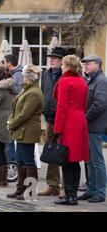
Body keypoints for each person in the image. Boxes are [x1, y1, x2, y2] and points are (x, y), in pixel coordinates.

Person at [51, 55, 89, 205]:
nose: (61, 66)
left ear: (68, 66)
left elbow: (61, 108)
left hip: (69, 124)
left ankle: (69, 196)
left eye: (63, 64)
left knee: (67, 161)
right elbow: (85, 105)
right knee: (75, 161)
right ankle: (72, 196)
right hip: (80, 121)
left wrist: (57, 129)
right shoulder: (82, 81)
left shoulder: (65, 81)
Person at [6, 65, 43, 200]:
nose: (23, 77)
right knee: (20, 161)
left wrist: (11, 124)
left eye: (24, 75)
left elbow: (24, 114)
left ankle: (31, 191)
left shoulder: (34, 92)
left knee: (28, 162)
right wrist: (11, 121)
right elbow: (16, 110)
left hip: (28, 130)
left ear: (29, 77)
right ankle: (20, 190)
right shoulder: (26, 89)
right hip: (21, 130)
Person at [78, 54, 107, 203]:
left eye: (88, 64)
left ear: (97, 65)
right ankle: (91, 190)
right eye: (85, 64)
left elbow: (99, 104)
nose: (85, 66)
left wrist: (85, 118)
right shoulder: (91, 80)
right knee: (89, 160)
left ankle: (100, 192)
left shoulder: (101, 81)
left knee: (97, 161)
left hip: (94, 126)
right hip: (88, 126)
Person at [38, 47, 66, 197]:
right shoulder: (46, 74)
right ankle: (53, 185)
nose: (52, 59)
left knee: (64, 153)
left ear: (62, 60)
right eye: (51, 57)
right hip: (49, 119)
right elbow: (43, 93)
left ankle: (66, 187)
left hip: (63, 120)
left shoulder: (66, 76)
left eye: (55, 57)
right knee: (51, 153)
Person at [3, 54, 24, 163]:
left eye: (4, 62)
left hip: (16, 113)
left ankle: (12, 163)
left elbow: (19, 95)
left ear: (9, 63)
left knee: (11, 139)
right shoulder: (15, 74)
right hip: (14, 112)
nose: (3, 64)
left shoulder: (18, 75)